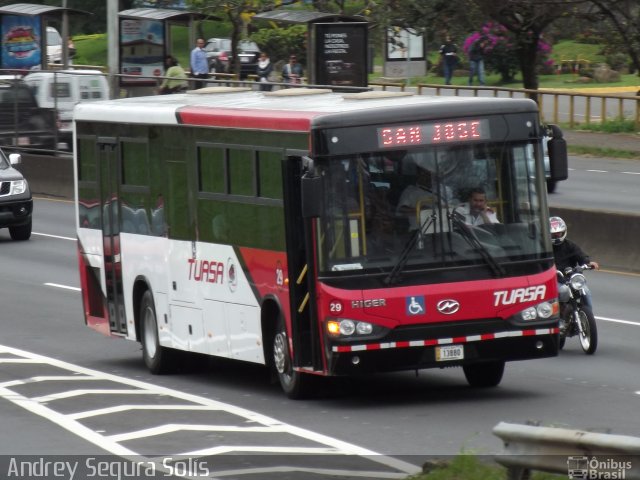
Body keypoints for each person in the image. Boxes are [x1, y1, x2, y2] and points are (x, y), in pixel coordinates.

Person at [550, 216, 599, 308]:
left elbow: (581, 255)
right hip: (555, 280)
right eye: (554, 234)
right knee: (563, 291)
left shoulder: (570, 245)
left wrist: (588, 263)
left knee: (585, 291)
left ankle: (588, 315)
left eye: (559, 233)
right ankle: (560, 316)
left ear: (563, 232)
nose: (557, 236)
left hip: (571, 278)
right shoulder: (546, 248)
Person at [396, 165, 450, 231]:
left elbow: (453, 206)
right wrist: (419, 210)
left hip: (444, 231)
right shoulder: (410, 191)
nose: (428, 176)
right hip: (419, 231)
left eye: (430, 173)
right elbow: (400, 211)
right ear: (418, 174)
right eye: (424, 173)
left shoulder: (444, 189)